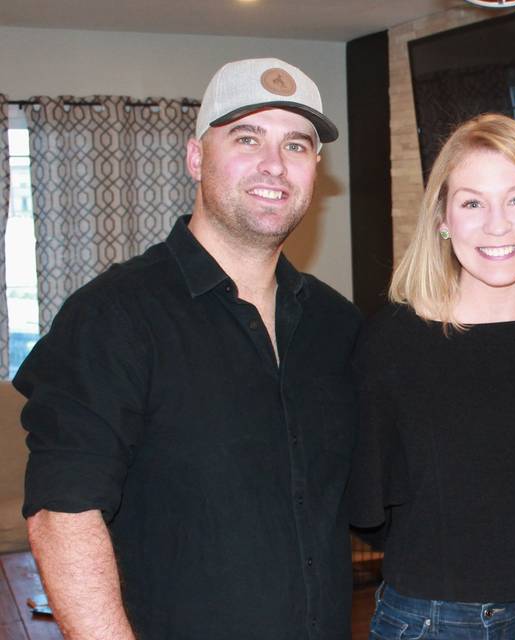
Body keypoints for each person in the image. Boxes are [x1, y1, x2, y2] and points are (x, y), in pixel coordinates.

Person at [14, 58, 361, 640]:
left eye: (296, 146)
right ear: (196, 157)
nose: (274, 164)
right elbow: (62, 515)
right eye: (247, 138)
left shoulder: (337, 324)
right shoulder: (113, 315)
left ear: (315, 170)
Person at [349, 113, 515, 639]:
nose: (497, 224)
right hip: (427, 618)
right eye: (473, 202)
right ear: (443, 219)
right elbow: (367, 504)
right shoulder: (391, 342)